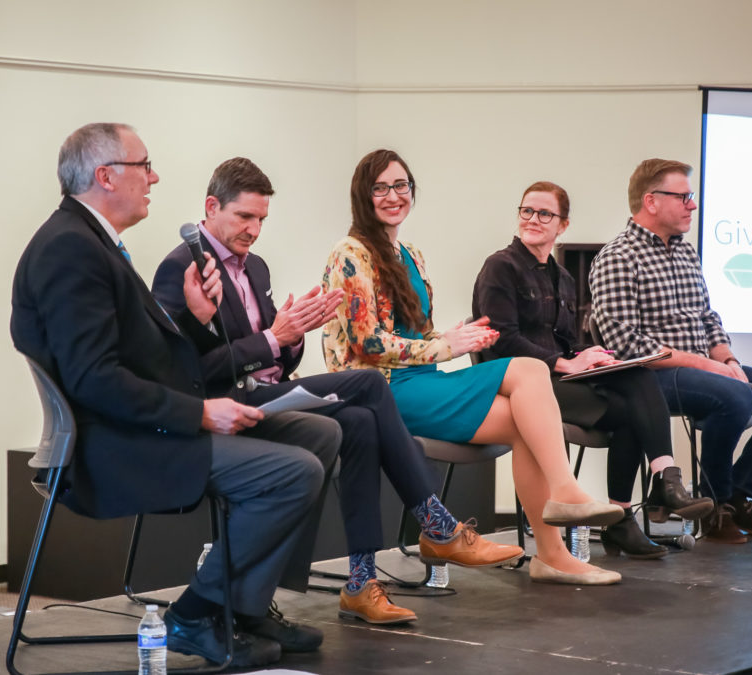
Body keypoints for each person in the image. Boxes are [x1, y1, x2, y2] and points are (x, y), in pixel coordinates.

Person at [10, 123, 335, 668]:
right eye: (145, 166)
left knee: (318, 432)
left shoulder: (91, 242)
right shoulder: (69, 249)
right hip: (111, 445)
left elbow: (151, 359)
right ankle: (194, 614)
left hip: (137, 426)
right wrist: (201, 413)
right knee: (294, 472)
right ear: (106, 175)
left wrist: (202, 321)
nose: (154, 177)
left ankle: (245, 606)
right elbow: (94, 379)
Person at [153, 157, 524, 625]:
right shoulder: (180, 268)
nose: (254, 230)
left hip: (270, 393)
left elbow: (272, 357)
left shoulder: (256, 268)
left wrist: (289, 339)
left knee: (361, 422)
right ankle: (436, 522)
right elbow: (186, 374)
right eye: (244, 217)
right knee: (367, 382)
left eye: (262, 219)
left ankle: (361, 582)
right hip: (226, 406)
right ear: (211, 207)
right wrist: (272, 338)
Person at [322, 149, 625, 586]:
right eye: (381, 187)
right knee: (529, 374)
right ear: (362, 195)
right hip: (381, 388)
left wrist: (454, 337)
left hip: (421, 380)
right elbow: (366, 343)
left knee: (528, 415)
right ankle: (564, 495)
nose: (393, 195)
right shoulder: (349, 253)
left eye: (401, 186)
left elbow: (416, 335)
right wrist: (446, 347)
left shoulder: (411, 253)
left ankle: (553, 555)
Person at [472, 181, 714, 559]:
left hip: (559, 379)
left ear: (562, 225)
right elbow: (501, 339)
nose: (533, 220)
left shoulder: (563, 277)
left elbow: (567, 341)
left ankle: (652, 488)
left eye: (544, 214)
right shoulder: (500, 267)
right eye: (527, 211)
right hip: (520, 387)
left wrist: (596, 355)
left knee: (637, 374)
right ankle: (641, 502)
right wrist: (563, 361)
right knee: (632, 411)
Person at [589, 158, 752, 543]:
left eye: (690, 197)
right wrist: (706, 367)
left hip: (704, 370)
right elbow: (624, 343)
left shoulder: (685, 252)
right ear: (651, 201)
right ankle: (713, 509)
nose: (692, 205)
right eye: (684, 196)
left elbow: (708, 318)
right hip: (650, 379)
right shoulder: (618, 257)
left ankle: (737, 495)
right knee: (731, 396)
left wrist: (727, 359)